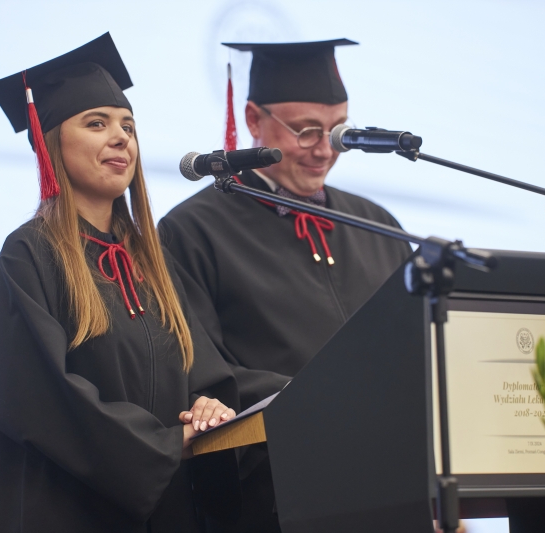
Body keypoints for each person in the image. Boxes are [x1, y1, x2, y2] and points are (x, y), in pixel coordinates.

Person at [0, 33, 240, 533]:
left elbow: (200, 367)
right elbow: (38, 398)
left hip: (168, 512)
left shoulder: (150, 262)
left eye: (128, 127)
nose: (121, 138)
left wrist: (209, 404)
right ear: (50, 140)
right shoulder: (29, 256)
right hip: (71, 513)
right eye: (97, 124)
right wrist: (162, 444)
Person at [159, 39, 413, 532]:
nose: (324, 148)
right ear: (254, 120)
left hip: (392, 484)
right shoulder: (194, 231)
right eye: (307, 130)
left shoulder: (377, 225)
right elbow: (204, 373)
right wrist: (325, 400)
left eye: (339, 129)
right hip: (276, 492)